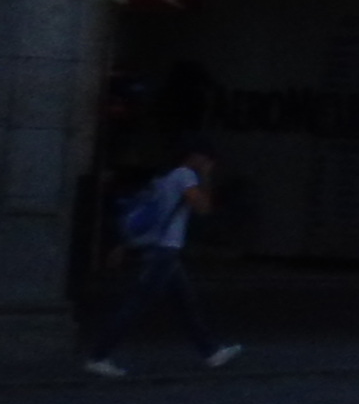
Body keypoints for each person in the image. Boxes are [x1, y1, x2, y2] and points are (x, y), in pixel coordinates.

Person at [83, 141, 242, 380]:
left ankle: (211, 351)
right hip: (164, 251)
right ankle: (98, 356)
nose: (209, 163)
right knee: (136, 304)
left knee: (185, 304)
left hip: (163, 249)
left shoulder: (168, 177)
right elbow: (202, 207)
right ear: (196, 157)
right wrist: (206, 177)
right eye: (207, 159)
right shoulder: (186, 175)